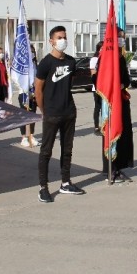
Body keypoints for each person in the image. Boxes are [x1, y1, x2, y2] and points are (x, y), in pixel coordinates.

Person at [35, 26, 84, 202]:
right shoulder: (46, 63)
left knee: (67, 149)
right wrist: (44, 110)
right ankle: (43, 187)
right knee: (46, 151)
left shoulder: (71, 62)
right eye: (59, 37)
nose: (63, 40)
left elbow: (69, 84)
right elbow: (38, 90)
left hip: (69, 112)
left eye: (64, 37)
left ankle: (65, 182)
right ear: (51, 41)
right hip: (52, 114)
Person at [98, 29, 134, 183]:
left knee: (123, 134)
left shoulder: (121, 57)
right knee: (111, 133)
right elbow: (98, 80)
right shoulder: (106, 58)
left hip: (122, 99)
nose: (122, 40)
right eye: (119, 37)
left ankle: (118, 167)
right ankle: (110, 170)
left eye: (123, 38)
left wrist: (122, 84)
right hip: (110, 102)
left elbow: (126, 79)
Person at [19, 45, 40, 147]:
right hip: (24, 93)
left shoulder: (35, 64)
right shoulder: (22, 65)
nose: (31, 54)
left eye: (33, 51)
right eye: (29, 52)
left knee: (33, 116)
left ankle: (31, 135)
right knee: (24, 116)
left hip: (34, 93)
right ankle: (24, 137)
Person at [89, 41, 103, 136]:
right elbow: (93, 74)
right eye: (101, 48)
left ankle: (105, 124)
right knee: (98, 107)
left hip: (105, 87)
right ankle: (96, 126)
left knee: (105, 107)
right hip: (97, 87)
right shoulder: (95, 59)